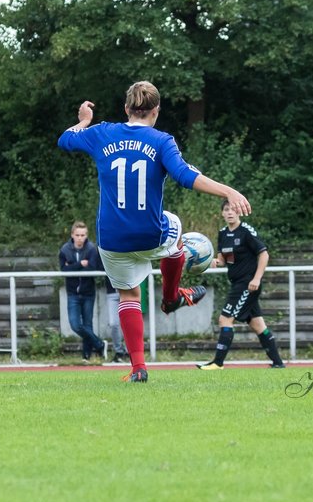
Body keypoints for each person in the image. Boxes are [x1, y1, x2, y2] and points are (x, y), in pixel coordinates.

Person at [58, 80, 251, 382]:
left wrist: (84, 121)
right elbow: (186, 176)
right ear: (156, 111)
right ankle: (171, 296)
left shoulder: (102, 132)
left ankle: (138, 368)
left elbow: (65, 140)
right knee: (173, 225)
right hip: (150, 235)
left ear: (126, 109)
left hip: (111, 239)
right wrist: (229, 191)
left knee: (128, 295)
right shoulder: (162, 141)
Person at [197, 201, 284, 370]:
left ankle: (218, 363)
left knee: (225, 319)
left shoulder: (246, 232)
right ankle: (278, 363)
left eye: (233, 210)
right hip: (237, 282)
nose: (230, 213)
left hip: (247, 284)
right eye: (226, 210)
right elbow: (223, 260)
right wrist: (210, 262)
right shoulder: (222, 233)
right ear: (222, 213)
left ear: (239, 213)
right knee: (258, 325)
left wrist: (257, 279)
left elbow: (264, 254)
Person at [59, 221, 108, 362]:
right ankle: (99, 344)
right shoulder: (64, 250)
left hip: (88, 292)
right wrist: (80, 264)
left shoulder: (92, 249)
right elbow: (64, 270)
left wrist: (72, 267)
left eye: (83, 235)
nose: (80, 238)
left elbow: (92, 269)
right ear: (72, 235)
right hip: (73, 293)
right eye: (78, 235)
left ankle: (86, 356)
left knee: (87, 324)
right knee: (75, 324)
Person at [98, 252, 128, 364]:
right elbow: (99, 265)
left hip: (128, 291)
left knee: (128, 323)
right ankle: (119, 352)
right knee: (113, 323)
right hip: (112, 293)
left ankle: (131, 351)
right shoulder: (105, 246)